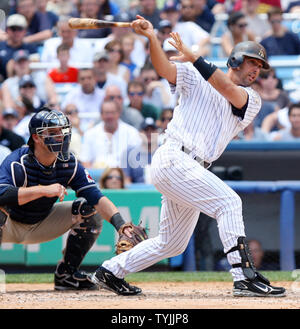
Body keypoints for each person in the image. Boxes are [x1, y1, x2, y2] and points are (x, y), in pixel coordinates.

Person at [90, 16, 286, 297]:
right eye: (252, 62)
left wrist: (196, 57)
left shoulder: (252, 100)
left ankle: (110, 271)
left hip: (189, 168)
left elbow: (227, 90)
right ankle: (243, 275)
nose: (257, 69)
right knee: (229, 202)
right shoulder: (195, 75)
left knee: (172, 243)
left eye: (260, 66)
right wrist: (151, 39)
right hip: (174, 157)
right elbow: (164, 68)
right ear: (234, 60)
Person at [0, 107, 138, 292]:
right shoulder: (18, 161)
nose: (59, 137)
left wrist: (122, 225)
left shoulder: (69, 163)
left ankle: (67, 275)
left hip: (43, 222)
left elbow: (96, 197)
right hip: (10, 224)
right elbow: (2, 194)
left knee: (88, 209)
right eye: (52, 133)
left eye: (61, 132)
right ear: (36, 137)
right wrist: (42, 190)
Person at [79, 100, 142, 172]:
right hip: (97, 178)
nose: (110, 116)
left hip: (125, 178)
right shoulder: (90, 134)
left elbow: (137, 161)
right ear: (101, 115)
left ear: (119, 113)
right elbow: (85, 162)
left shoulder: (132, 133)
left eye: (112, 112)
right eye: (106, 113)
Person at [0, 14, 38, 82]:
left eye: (20, 29)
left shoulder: (31, 47)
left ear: (25, 31)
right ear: (7, 30)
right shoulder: (1, 47)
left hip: (27, 85)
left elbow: (35, 69)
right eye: (13, 29)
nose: (16, 32)